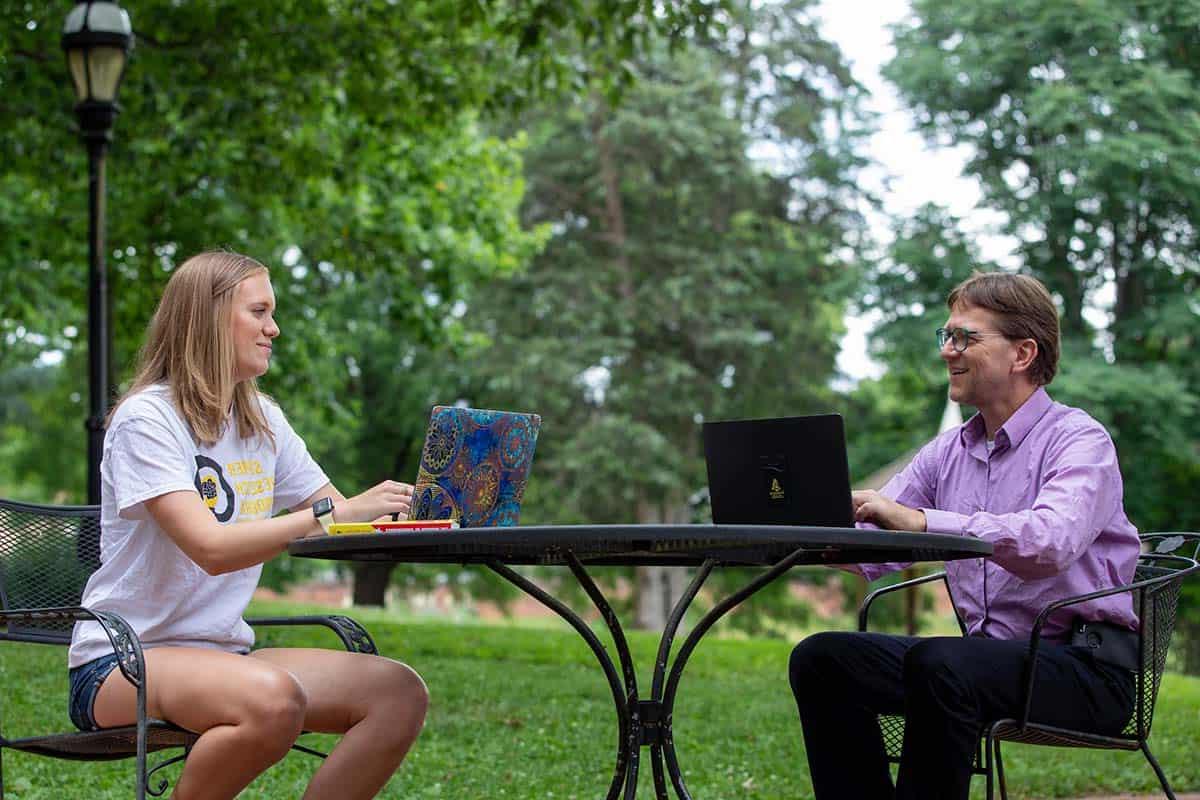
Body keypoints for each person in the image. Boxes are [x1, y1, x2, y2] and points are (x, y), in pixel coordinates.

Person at [67, 251, 429, 800]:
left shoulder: (262, 418)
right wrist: (335, 515)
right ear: (209, 319)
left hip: (225, 658)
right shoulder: (148, 419)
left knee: (398, 693)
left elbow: (340, 520)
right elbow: (209, 548)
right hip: (122, 661)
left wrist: (430, 517)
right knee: (274, 700)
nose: (274, 328)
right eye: (259, 311)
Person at [789, 272, 1140, 800]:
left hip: (1087, 671)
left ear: (1022, 353)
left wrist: (923, 520)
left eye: (965, 338)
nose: (948, 351)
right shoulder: (946, 453)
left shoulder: (1079, 440)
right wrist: (806, 519)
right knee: (822, 660)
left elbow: (1051, 542)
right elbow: (872, 548)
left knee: (942, 662)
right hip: (983, 663)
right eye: (946, 336)